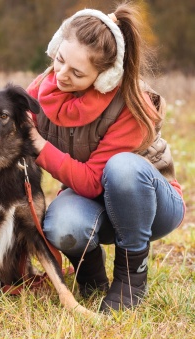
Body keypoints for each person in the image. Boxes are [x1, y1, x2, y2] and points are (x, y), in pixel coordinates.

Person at [26, 2, 185, 313]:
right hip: (93, 200)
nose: (61, 75)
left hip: (150, 205)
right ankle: (91, 277)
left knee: (123, 168)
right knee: (62, 225)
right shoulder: (43, 89)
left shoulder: (130, 105)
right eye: (60, 60)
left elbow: (92, 179)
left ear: (106, 77)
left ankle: (130, 280)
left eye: (77, 72)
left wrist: (39, 146)